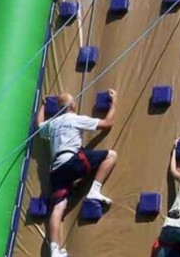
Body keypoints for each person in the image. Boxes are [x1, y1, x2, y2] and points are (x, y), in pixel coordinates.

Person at [36, 90, 119, 257]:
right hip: (72, 161)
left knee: (58, 207)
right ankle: (94, 190)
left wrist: (43, 106)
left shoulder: (53, 124)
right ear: (72, 105)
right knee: (111, 155)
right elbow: (107, 123)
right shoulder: (75, 119)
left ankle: (55, 251)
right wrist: (114, 102)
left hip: (56, 169)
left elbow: (39, 127)